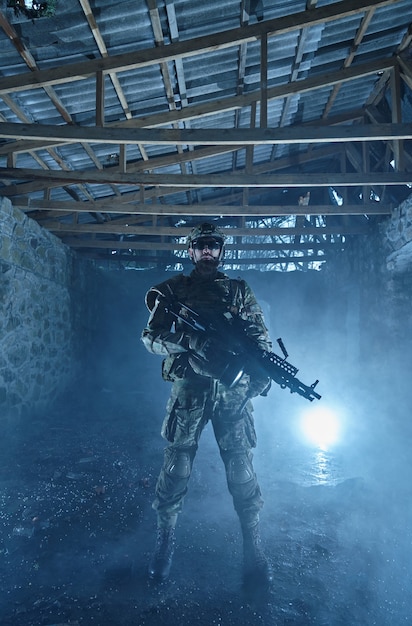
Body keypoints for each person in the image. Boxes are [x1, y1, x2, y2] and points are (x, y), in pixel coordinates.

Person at [141, 222, 273, 587]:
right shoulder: (173, 290)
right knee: (177, 465)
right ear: (190, 251)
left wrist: (261, 375)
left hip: (233, 392)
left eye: (214, 246)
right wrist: (191, 342)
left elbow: (258, 338)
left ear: (221, 251)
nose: (208, 252)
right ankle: (164, 544)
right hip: (190, 389)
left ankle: (253, 548)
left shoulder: (238, 291)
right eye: (201, 246)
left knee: (241, 469)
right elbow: (150, 338)